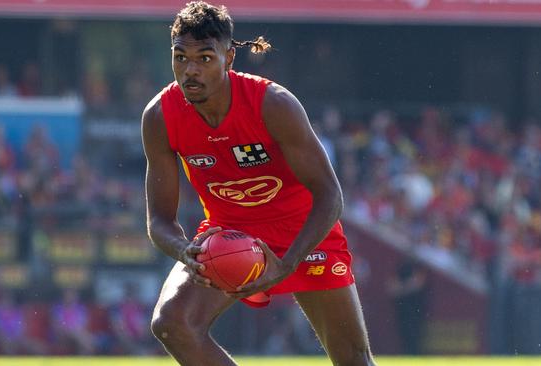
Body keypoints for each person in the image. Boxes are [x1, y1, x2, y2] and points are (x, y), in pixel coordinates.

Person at [141, 2, 375, 365]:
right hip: (228, 233)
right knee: (173, 324)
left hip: (303, 231)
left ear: (229, 57)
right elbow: (159, 220)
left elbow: (330, 196)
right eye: (180, 57)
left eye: (204, 58)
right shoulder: (159, 116)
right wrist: (184, 251)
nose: (190, 71)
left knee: (353, 360)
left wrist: (287, 262)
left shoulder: (274, 104)